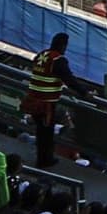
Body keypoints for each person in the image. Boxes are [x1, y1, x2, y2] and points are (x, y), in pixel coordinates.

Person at [24, 38, 71, 166]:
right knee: (46, 132)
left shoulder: (41, 55)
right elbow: (70, 79)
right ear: (62, 46)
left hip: (33, 98)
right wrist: (84, 93)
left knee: (41, 130)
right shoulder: (58, 60)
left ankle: (43, 158)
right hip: (46, 103)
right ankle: (44, 160)